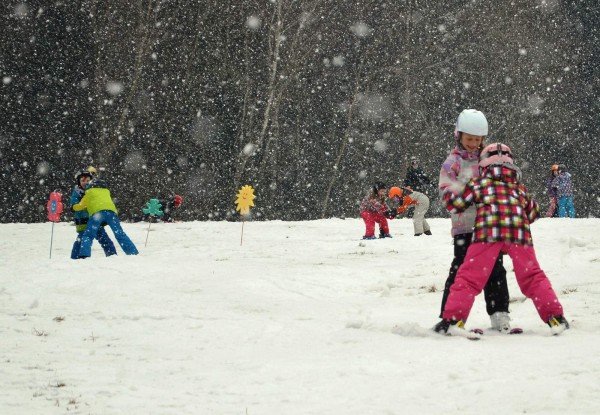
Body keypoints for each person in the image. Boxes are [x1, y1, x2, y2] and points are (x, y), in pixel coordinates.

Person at [434, 143, 569, 336]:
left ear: (483, 166)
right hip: (519, 235)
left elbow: (455, 203)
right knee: (532, 275)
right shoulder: (519, 188)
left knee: (470, 276)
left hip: (488, 233)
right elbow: (534, 212)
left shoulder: (479, 183)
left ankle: (453, 319)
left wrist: (450, 192)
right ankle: (554, 316)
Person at [437, 109, 514, 333]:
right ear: (459, 136)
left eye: (477, 139)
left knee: (495, 270)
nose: (473, 143)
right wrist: (466, 196)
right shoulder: (453, 162)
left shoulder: (487, 161)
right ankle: (449, 315)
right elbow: (446, 190)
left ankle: (499, 313)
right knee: (460, 270)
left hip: (488, 227)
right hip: (464, 228)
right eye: (469, 139)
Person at [73, 178, 139, 258]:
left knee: (88, 235)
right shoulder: (106, 192)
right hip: (112, 213)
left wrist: (73, 207)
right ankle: (132, 252)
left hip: (97, 214)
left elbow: (80, 206)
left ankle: (84, 254)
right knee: (120, 234)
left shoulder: (88, 193)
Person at [69, 167, 116, 259]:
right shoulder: (77, 193)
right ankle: (76, 258)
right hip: (83, 223)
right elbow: (74, 206)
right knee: (81, 241)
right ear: (78, 182)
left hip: (95, 221)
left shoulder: (95, 191)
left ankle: (112, 255)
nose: (85, 182)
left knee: (105, 240)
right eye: (82, 180)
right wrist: (79, 206)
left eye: (87, 180)